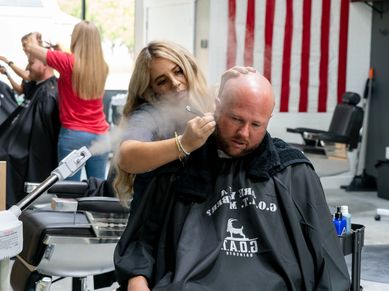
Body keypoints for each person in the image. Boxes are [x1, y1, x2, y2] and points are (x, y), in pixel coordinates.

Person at [114, 70, 351, 290]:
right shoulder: (179, 167)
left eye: (256, 124)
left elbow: (328, 261)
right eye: (236, 119)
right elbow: (140, 246)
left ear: (269, 119)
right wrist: (137, 282)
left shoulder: (293, 171)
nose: (244, 133)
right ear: (216, 108)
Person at [113, 40, 216, 204]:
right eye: (162, 81)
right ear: (150, 90)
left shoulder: (209, 103)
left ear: (189, 68)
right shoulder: (149, 115)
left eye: (178, 72)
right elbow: (127, 156)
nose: (175, 83)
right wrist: (183, 144)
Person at [25, 21, 110, 181]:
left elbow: (30, 47)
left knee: (68, 196)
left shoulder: (68, 61)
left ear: (76, 39)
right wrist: (58, 51)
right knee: (98, 192)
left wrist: (34, 37)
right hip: (101, 135)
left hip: (74, 135)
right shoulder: (102, 67)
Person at [0, 54, 60, 208]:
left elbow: (40, 141)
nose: (27, 68)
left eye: (31, 63)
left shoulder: (48, 93)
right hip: (20, 140)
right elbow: (22, 88)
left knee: (6, 154)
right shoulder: (37, 87)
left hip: (28, 150)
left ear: (45, 65)